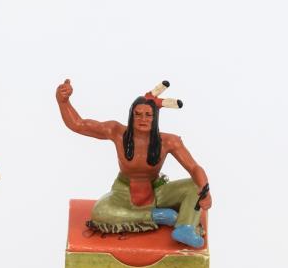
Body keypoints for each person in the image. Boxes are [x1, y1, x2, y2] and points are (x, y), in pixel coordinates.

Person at [55, 79, 211, 248]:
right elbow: (78, 124)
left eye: (148, 115)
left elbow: (194, 168)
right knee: (99, 211)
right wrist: (63, 102)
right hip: (123, 192)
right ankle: (157, 216)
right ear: (131, 115)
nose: (143, 119)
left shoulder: (169, 141)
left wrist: (205, 190)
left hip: (156, 191)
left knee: (197, 186)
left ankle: (185, 227)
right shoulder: (116, 131)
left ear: (155, 118)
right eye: (138, 114)